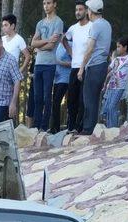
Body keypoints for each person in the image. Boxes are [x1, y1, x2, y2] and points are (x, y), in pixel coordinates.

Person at [78, 0, 112, 135]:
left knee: (89, 98)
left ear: (90, 11)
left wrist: (81, 68)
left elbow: (89, 49)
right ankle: (92, 128)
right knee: (95, 98)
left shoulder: (95, 26)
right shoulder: (107, 24)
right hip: (103, 65)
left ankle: (88, 129)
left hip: (94, 66)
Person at [31, 0, 65, 131]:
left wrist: (40, 46)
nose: (46, 6)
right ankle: (36, 126)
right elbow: (33, 43)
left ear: (55, 4)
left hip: (49, 65)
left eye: (49, 3)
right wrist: (46, 40)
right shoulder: (40, 23)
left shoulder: (58, 22)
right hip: (38, 64)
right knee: (37, 97)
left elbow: (52, 46)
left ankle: (44, 127)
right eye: (44, 3)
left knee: (46, 97)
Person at [62, 2, 91, 133]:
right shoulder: (73, 28)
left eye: (80, 9)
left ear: (86, 11)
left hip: (87, 67)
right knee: (72, 98)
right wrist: (70, 52)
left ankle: (80, 127)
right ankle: (71, 126)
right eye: (76, 10)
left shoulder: (92, 26)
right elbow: (64, 39)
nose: (78, 12)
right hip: (74, 67)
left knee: (82, 99)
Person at [101, 38, 128, 128]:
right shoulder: (116, 59)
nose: (117, 49)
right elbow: (109, 70)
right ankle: (109, 127)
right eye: (117, 47)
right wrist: (104, 81)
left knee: (112, 106)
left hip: (120, 86)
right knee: (108, 107)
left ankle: (113, 127)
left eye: (119, 46)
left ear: (125, 47)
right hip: (111, 86)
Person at [50, 42, 72, 133]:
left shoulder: (70, 44)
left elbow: (74, 62)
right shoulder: (57, 45)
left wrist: (60, 62)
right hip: (56, 79)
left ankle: (67, 126)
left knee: (59, 101)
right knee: (55, 103)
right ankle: (54, 127)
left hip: (66, 78)